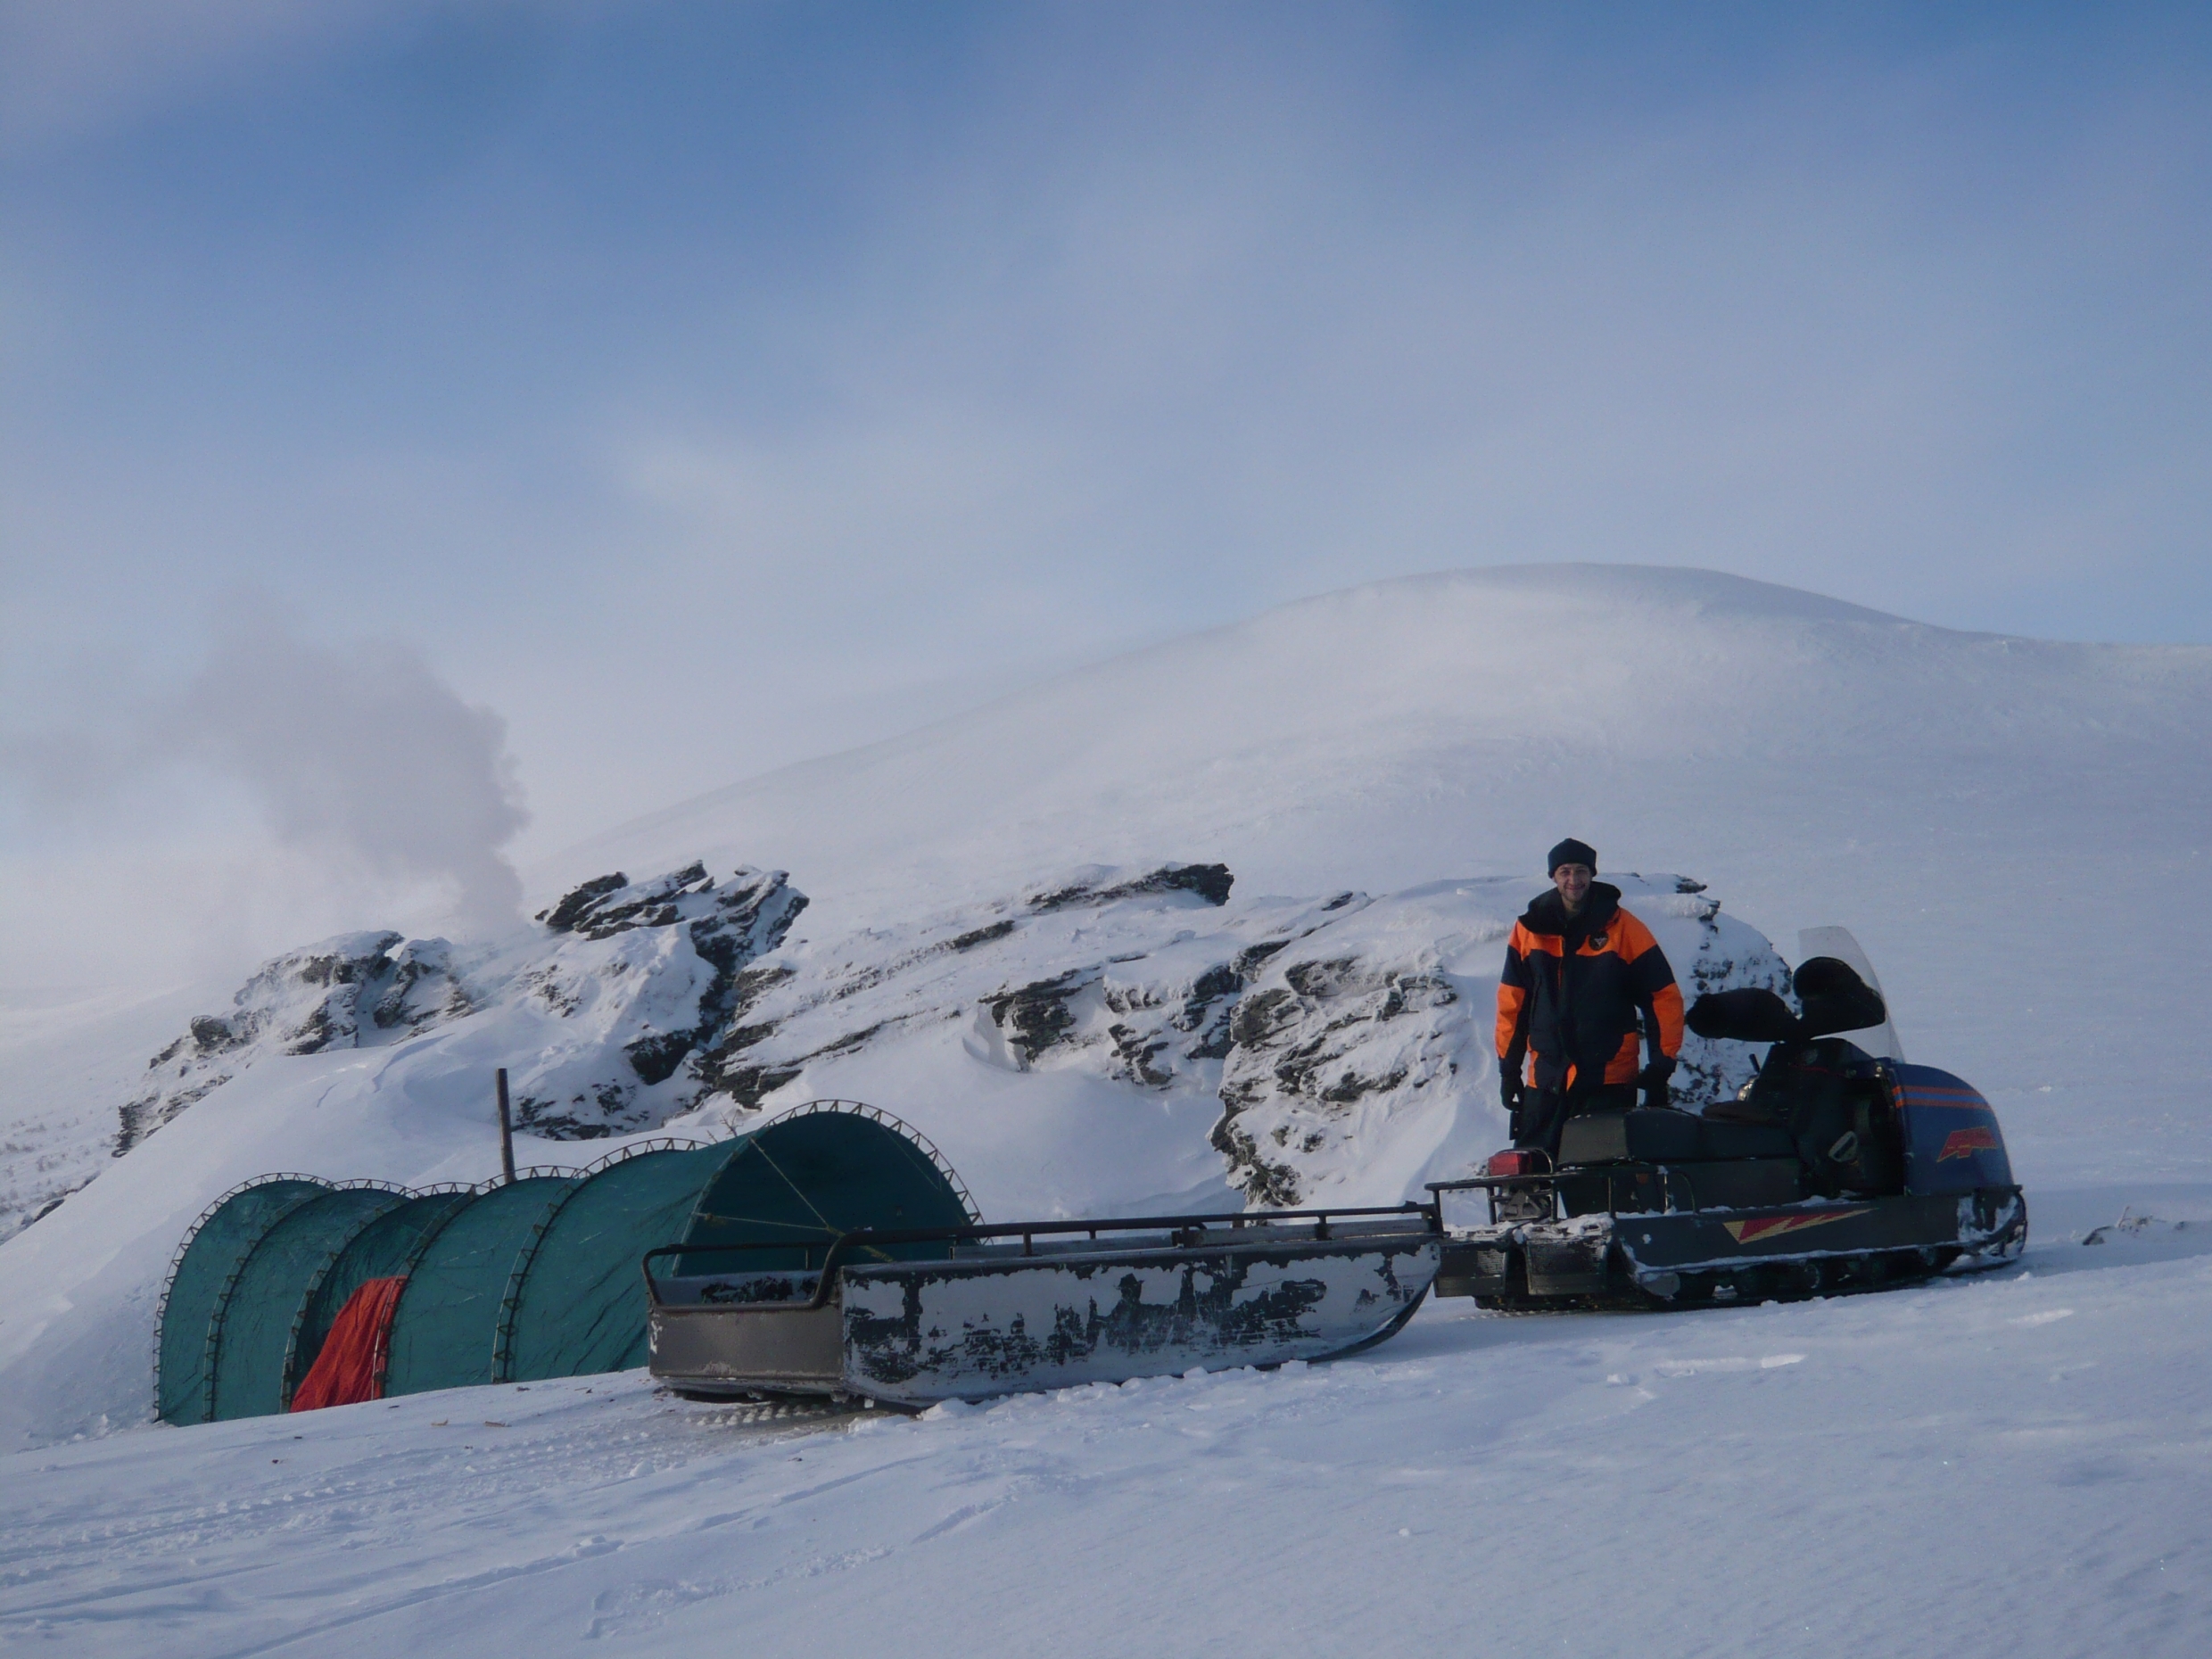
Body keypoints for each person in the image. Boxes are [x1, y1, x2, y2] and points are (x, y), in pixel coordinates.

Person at [1496, 838, 1684, 1158]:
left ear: (1592, 874)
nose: (1574, 880)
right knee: (1530, 1181)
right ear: (1553, 876)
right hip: (1546, 1079)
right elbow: (1513, 1004)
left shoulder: (1624, 928)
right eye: (1565, 871)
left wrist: (1661, 1064)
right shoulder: (1528, 929)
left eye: (1581, 871)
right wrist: (1509, 1070)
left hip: (1607, 1078)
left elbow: (1662, 997)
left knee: (1602, 1186)